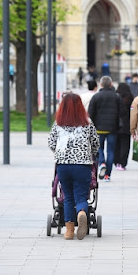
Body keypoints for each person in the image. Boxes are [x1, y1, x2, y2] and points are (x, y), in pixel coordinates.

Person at [48, 93, 99, 240]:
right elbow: (95, 143)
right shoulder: (87, 123)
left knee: (68, 196)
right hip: (83, 165)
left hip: (63, 165)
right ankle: (82, 213)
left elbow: (51, 143)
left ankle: (69, 231)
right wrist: (92, 153)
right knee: (81, 195)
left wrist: (60, 153)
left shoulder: (58, 123)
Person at [88, 76, 126, 182]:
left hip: (99, 128)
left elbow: (90, 113)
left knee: (98, 148)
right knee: (111, 151)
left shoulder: (96, 97)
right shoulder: (117, 97)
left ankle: (102, 163)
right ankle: (107, 175)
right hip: (112, 128)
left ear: (100, 85)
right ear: (111, 85)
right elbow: (123, 112)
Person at [114, 83, 134, 171]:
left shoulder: (115, 97)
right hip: (127, 125)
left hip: (115, 125)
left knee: (116, 145)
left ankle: (116, 162)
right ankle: (123, 163)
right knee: (125, 145)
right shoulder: (130, 98)